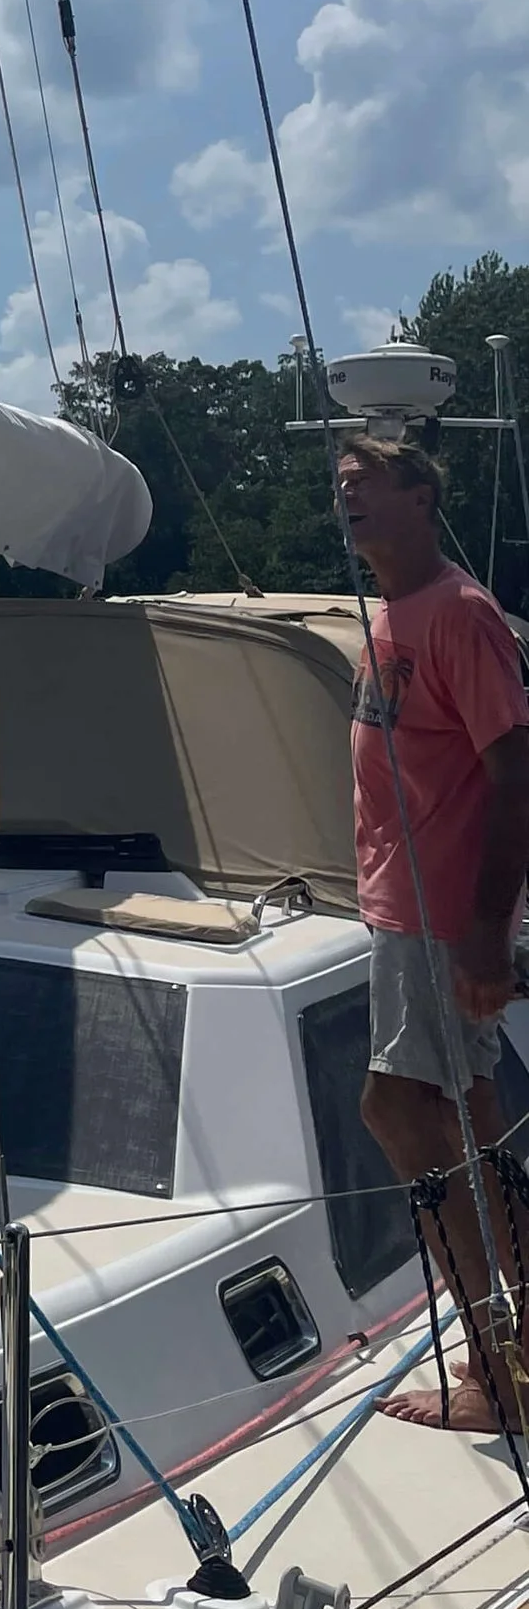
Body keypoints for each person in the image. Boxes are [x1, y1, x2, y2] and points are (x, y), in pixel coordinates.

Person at [341, 433, 529, 1432]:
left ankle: (502, 1379)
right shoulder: (391, 614)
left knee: (410, 1117)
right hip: (403, 910)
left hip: (438, 917)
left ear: (421, 496)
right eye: (340, 485)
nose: (346, 497)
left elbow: (515, 775)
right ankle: (509, 1360)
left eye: (364, 482)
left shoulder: (455, 614)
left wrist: (485, 935)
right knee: (464, 1125)